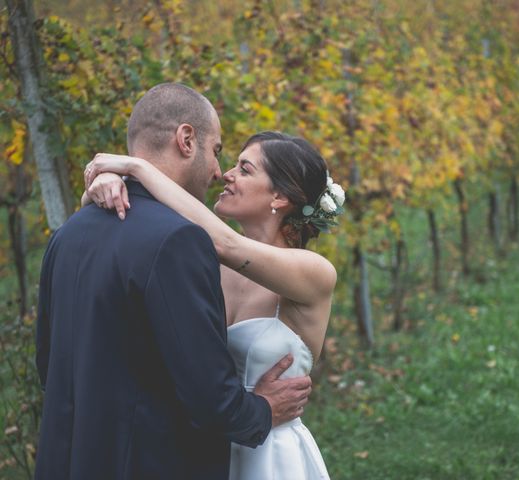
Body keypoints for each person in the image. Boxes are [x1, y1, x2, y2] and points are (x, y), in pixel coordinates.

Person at [35, 83, 312, 480]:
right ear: (186, 140)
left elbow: (49, 366)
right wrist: (263, 409)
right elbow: (209, 395)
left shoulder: (67, 234)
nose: (219, 172)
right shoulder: (179, 240)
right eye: (216, 151)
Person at [83, 129, 345, 479]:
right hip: (203, 449)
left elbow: (227, 244)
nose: (226, 174)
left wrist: (137, 167)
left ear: (280, 196)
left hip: (271, 457)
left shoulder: (314, 273)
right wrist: (104, 187)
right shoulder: (209, 262)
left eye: (245, 169)